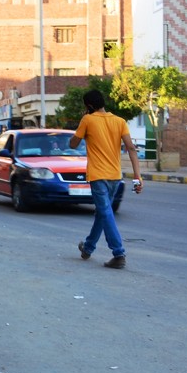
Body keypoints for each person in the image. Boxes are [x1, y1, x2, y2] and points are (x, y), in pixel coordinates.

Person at [70, 90, 141, 269]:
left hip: (98, 176)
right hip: (115, 176)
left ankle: (118, 254)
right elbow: (131, 149)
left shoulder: (87, 120)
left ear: (89, 106)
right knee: (103, 213)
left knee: (106, 213)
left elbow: (73, 144)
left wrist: (84, 120)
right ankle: (88, 248)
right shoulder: (120, 121)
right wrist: (138, 177)